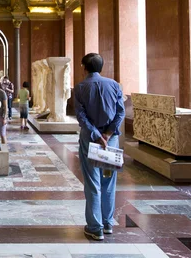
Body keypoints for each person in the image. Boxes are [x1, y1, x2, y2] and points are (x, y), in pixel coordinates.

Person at [75, 53, 125, 241]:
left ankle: (95, 227)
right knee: (109, 182)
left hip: (91, 139)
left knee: (92, 181)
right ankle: (108, 223)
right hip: (110, 140)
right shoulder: (114, 85)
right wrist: (108, 134)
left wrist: (96, 135)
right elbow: (120, 112)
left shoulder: (80, 87)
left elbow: (81, 117)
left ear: (84, 67)